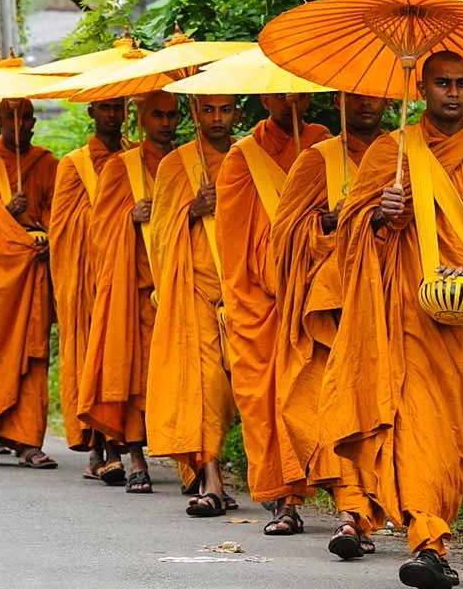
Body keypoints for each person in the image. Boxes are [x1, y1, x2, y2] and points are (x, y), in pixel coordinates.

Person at [321, 51, 463, 589]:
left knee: (448, 432)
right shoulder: (391, 152)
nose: (454, 93)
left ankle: (426, 531)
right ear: (422, 88)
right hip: (403, 312)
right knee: (413, 422)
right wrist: (380, 212)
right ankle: (429, 543)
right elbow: (349, 234)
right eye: (443, 83)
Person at [272, 92, 390, 557]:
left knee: (379, 407)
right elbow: (282, 237)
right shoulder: (317, 160)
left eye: (376, 97)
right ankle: (348, 514)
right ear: (340, 101)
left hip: (387, 301)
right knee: (330, 406)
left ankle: (363, 513)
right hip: (331, 306)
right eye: (356, 97)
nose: (367, 105)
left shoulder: (405, 157)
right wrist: (329, 220)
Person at [215, 93, 331, 534]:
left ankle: (348, 502)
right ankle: (284, 501)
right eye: (279, 93)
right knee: (264, 401)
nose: (290, 100)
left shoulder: (325, 147)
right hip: (259, 302)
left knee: (318, 394)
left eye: (298, 91)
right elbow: (234, 243)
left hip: (314, 295)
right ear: (264, 98)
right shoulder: (243, 158)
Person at [79, 91, 180, 494]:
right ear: (141, 118)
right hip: (136, 288)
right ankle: (134, 452)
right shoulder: (124, 167)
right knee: (134, 375)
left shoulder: (187, 163)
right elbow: (99, 233)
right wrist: (129, 217)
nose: (166, 123)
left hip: (177, 284)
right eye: (158, 115)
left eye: (172, 115)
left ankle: (192, 460)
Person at [147, 94, 239, 516]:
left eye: (225, 109)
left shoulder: (248, 159)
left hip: (245, 289)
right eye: (208, 109)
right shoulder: (175, 165)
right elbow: (161, 235)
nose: (216, 118)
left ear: (237, 111)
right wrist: (192, 209)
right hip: (196, 289)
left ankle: (278, 486)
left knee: (244, 388)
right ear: (195, 112)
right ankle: (211, 479)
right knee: (207, 385)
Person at [0, 98, 59, 469]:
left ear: (34, 122)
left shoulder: (47, 164)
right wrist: (3, 215)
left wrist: (44, 234)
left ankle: (28, 441)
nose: (19, 125)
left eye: (25, 118)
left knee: (32, 356)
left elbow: (58, 214)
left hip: (31, 274)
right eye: (11, 118)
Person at [50, 98, 127, 484]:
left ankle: (124, 442)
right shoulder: (74, 165)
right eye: (105, 108)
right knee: (90, 354)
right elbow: (62, 229)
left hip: (127, 273)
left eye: (119, 107)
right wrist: (110, 213)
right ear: (91, 113)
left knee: (122, 357)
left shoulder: (137, 159)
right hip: (86, 277)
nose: (113, 115)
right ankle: (101, 448)